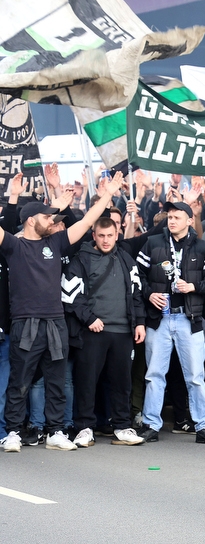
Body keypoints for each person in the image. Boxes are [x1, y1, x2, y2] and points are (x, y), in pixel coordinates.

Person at [1, 173, 124, 452]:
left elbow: (87, 221)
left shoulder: (54, 243)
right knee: (19, 381)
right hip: (25, 323)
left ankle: (55, 431)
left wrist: (108, 195)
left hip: (56, 323)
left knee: (56, 380)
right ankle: (12, 432)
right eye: (47, 217)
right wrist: (12, 195)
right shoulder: (13, 246)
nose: (53, 220)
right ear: (31, 220)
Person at [136, 201, 205, 445]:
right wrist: (148, 293)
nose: (171, 220)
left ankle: (204, 427)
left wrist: (193, 286)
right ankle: (151, 425)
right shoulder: (153, 243)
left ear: (188, 220)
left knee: (195, 375)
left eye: (177, 217)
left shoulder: (202, 246)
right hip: (160, 318)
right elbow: (136, 275)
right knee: (154, 375)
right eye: (169, 216)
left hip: (189, 319)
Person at [62, 217, 146, 446]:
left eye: (110, 235)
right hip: (92, 331)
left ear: (117, 234)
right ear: (94, 236)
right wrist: (89, 318)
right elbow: (69, 295)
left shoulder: (126, 259)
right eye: (101, 235)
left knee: (122, 383)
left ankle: (122, 426)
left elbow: (137, 293)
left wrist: (139, 322)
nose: (106, 240)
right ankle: (84, 428)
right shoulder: (81, 259)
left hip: (123, 331)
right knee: (87, 382)